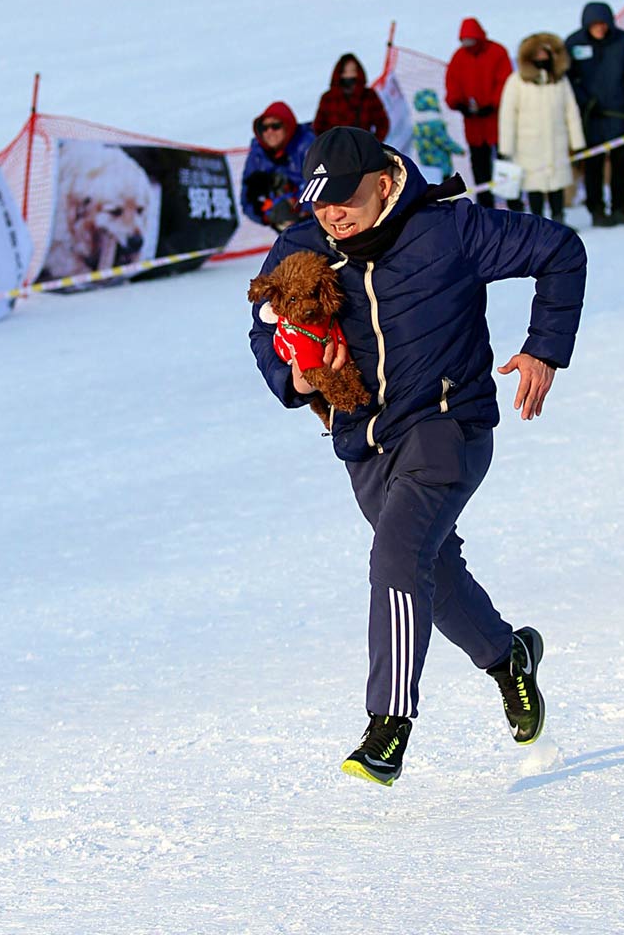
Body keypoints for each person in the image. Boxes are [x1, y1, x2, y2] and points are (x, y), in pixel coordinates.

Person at [249, 125, 587, 786]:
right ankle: (508, 658)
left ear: (383, 184)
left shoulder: (448, 230)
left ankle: (388, 726)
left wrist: (544, 347)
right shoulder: (302, 247)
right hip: (362, 440)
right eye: (320, 202)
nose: (331, 215)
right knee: (427, 570)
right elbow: (266, 328)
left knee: (397, 557)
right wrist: (299, 377)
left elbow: (560, 250)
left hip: (448, 424)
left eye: (344, 199)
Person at [565, 1, 624, 227]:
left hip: (619, 115)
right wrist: (585, 101)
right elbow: (569, 79)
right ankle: (597, 210)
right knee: (593, 165)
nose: (600, 28)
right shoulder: (574, 43)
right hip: (590, 117)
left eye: (603, 23)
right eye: (595, 24)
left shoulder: (622, 41)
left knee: (620, 163)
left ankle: (620, 208)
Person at [498, 33, 586, 224]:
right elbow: (507, 116)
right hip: (528, 144)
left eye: (545, 52)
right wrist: (506, 147)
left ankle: (559, 220)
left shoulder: (560, 80)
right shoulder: (516, 81)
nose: (542, 57)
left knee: (557, 184)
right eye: (537, 53)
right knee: (534, 186)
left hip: (556, 142)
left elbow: (571, 111)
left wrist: (577, 141)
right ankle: (538, 223)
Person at [444, 18, 512, 208]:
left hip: (498, 120)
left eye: (471, 40)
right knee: (479, 164)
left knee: (505, 160)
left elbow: (504, 81)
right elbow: (452, 83)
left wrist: (493, 104)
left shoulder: (497, 52)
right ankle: (485, 204)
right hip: (474, 124)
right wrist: (459, 104)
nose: (468, 44)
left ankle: (513, 201)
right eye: (465, 40)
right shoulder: (459, 57)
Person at [240, 101, 315, 231]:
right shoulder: (258, 155)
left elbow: (323, 183)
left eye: (276, 126)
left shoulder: (307, 144)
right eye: (264, 128)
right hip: (286, 226)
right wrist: (267, 215)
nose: (270, 132)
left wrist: (298, 206)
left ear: (288, 126)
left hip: (317, 217)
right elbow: (247, 199)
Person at [313, 54, 389, 142]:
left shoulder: (369, 95)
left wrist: (374, 143)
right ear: (339, 73)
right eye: (345, 71)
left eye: (353, 71)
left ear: (359, 72)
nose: (349, 75)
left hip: (363, 146)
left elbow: (382, 123)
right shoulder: (328, 98)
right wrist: (329, 144)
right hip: (337, 147)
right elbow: (318, 127)